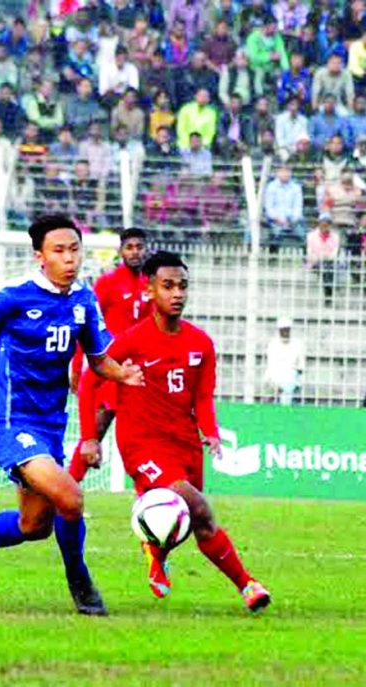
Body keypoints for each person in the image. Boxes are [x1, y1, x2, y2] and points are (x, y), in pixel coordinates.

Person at [0, 215, 144, 615]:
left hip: (50, 425)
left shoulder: (84, 301)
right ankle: (80, 581)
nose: (69, 259)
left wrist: (122, 373)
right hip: (11, 422)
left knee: (34, 526)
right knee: (71, 498)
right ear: (39, 256)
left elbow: (99, 360)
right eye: (59, 251)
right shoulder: (15, 297)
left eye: (74, 249)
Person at [77, 251, 271, 613]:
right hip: (141, 443)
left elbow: (203, 396)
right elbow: (91, 379)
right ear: (149, 291)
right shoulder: (131, 341)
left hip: (185, 444)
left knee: (193, 522)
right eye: (167, 286)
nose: (177, 293)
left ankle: (155, 553)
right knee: (198, 507)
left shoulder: (201, 343)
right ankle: (248, 585)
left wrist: (210, 432)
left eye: (182, 286)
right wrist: (90, 436)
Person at [69, 227, 151, 481]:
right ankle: (67, 490)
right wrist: (76, 366)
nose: (135, 252)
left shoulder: (153, 283)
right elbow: (86, 327)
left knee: (147, 439)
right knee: (94, 431)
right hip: (108, 369)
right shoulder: (108, 283)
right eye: (130, 247)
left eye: (139, 247)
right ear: (121, 251)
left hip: (139, 374)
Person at [264, 317, 304, 405]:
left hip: (290, 379)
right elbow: (271, 365)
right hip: (275, 378)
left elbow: (301, 367)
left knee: (288, 394)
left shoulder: (297, 344)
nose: (285, 333)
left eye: (287, 330)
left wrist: (298, 383)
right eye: (283, 330)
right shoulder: (273, 344)